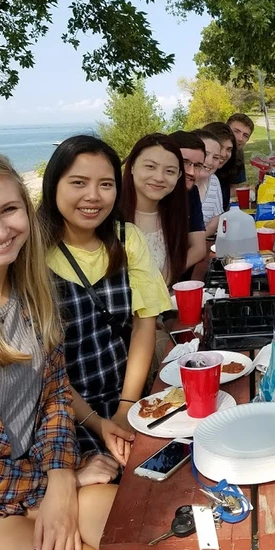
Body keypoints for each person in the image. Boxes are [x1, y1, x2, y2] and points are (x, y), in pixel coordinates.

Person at [0, 152, 207, 550]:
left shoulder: (28, 293)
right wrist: (60, 482)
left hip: (30, 490)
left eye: (9, 211)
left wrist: (59, 478)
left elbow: (54, 395)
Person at [39, 136, 171, 458]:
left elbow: (144, 325)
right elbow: (42, 364)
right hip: (59, 410)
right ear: (53, 185)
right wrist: (96, 423)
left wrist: (126, 407)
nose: (93, 197)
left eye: (106, 184)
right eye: (79, 183)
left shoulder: (127, 238)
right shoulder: (33, 254)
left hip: (126, 394)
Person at [120, 133, 189, 285]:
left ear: (179, 176)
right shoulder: (111, 216)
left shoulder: (174, 216)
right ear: (132, 166)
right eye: (150, 167)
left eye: (169, 171)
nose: (159, 177)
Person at [167, 130, 208, 274]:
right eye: (184, 162)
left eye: (197, 165)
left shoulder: (191, 194)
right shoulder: (150, 196)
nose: (191, 171)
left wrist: (168, 276)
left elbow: (199, 248)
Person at [193, 128, 224, 239]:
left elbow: (216, 220)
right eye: (206, 154)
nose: (210, 162)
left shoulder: (214, 180)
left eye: (215, 157)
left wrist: (198, 240)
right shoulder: (176, 181)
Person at [203, 122, 237, 210]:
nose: (223, 154)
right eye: (220, 147)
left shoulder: (219, 178)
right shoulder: (193, 178)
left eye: (229, 149)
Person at [227, 112, 255, 190]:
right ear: (226, 130)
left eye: (245, 135)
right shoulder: (211, 152)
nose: (240, 138)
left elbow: (233, 188)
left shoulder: (238, 154)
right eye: (236, 131)